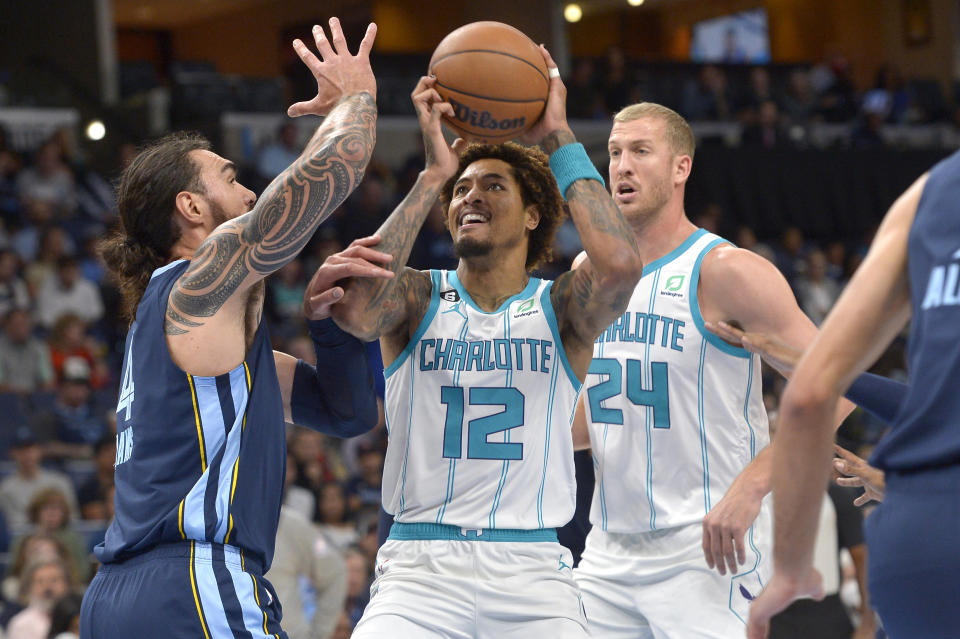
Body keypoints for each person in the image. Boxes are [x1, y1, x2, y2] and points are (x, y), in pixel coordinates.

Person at [77, 19, 388, 638]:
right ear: (191, 209)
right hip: (193, 581)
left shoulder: (186, 334)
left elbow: (348, 415)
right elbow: (337, 168)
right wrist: (357, 101)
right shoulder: (196, 281)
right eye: (228, 176)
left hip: (120, 598)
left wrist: (327, 327)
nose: (249, 190)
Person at [330, 48, 643, 638]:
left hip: (532, 569)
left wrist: (557, 137)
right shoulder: (417, 297)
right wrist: (431, 178)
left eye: (493, 186)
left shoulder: (560, 308)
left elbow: (622, 266)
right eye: (463, 189)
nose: (470, 195)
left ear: (532, 216)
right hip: (419, 572)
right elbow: (354, 311)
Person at [567, 102, 857, 638]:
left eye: (640, 151)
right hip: (608, 549)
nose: (622, 166)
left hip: (707, 547)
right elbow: (597, 414)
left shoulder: (726, 272)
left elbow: (836, 387)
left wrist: (754, 484)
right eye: (613, 153)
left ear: (681, 168)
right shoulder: (590, 272)